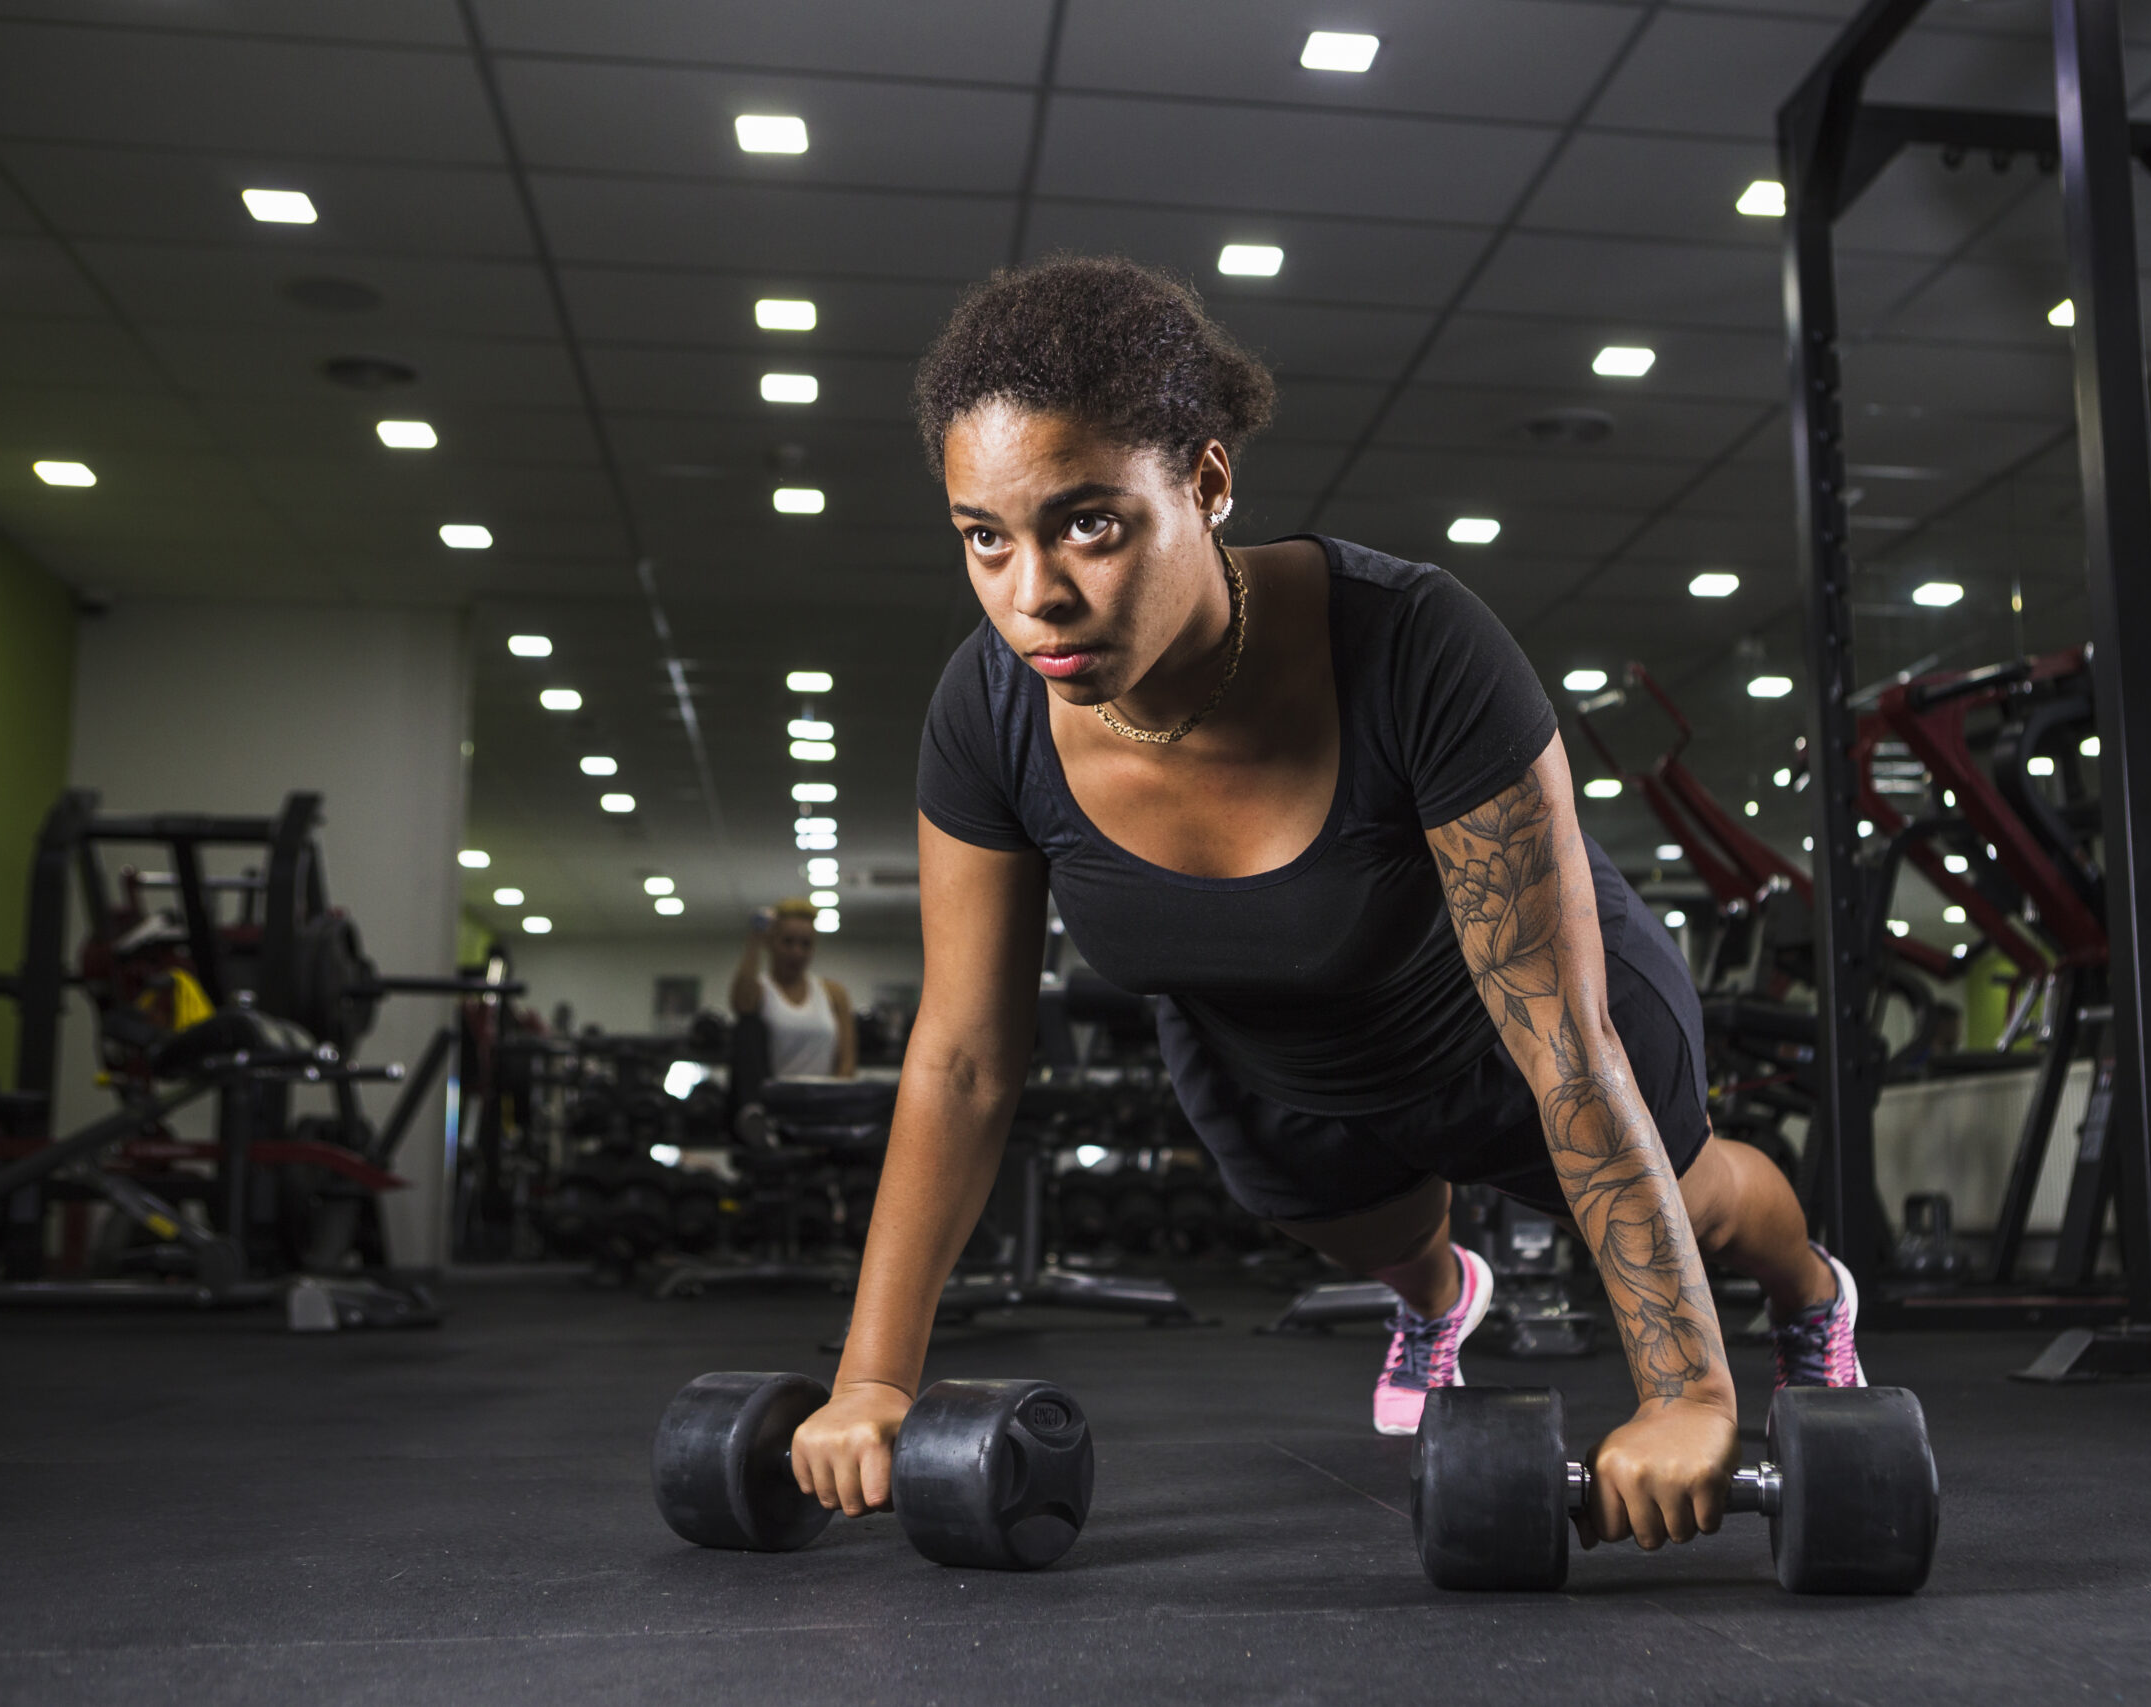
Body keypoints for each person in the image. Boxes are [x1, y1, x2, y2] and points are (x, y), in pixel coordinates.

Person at [791, 256, 1860, 1556]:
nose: (1034, 595)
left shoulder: (1416, 647)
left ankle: (1810, 1296)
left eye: (1088, 523)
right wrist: (872, 1381)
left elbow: (1562, 1038)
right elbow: (963, 1057)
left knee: (1697, 1208)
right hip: (1275, 1063)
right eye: (985, 535)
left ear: (1207, 479)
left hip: (1506, 1025)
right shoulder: (990, 710)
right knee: (1369, 1233)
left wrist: (1687, 1389)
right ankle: (1441, 1295)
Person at [730, 900, 858, 1080]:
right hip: (773, 1102)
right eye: (787, 942)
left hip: (823, 1102)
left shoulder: (834, 993)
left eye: (805, 944)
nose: (796, 952)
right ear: (771, 942)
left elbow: (847, 1064)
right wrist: (755, 940)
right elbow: (742, 1006)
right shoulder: (759, 989)